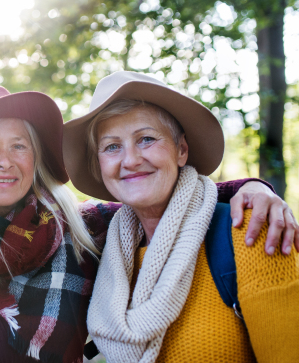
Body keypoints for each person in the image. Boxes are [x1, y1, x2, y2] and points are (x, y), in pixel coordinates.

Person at [0, 86, 292, 363]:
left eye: (19, 145)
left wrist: (254, 188)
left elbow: (164, 199)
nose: (5, 159)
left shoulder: (78, 231)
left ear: (35, 160)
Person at [63, 71, 299, 362]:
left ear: (181, 150)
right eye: (112, 146)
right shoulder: (102, 252)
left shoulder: (252, 231)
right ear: (100, 165)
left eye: (146, 139)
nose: (131, 159)